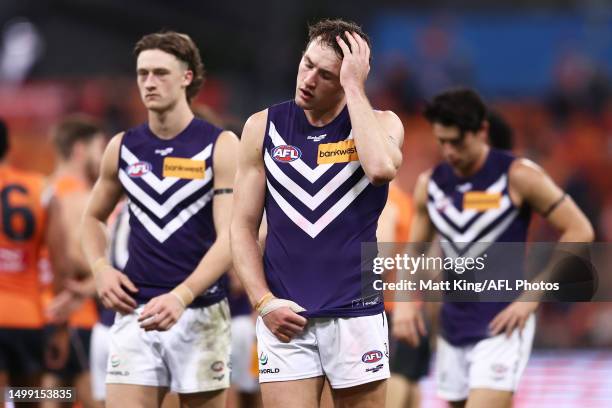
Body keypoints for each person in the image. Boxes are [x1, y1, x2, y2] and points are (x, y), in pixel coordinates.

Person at [231, 18, 404, 408]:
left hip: (355, 315)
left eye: (325, 75)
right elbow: (241, 227)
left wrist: (355, 89)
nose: (308, 79)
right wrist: (263, 302)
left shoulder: (381, 123)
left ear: (346, 80)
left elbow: (379, 169)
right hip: (286, 316)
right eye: (306, 64)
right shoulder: (262, 127)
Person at [392, 88, 595, 408]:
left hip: (503, 323)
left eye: (457, 142)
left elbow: (580, 228)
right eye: (442, 142)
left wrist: (532, 298)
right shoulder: (430, 184)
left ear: (481, 131)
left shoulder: (518, 176)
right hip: (453, 325)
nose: (450, 152)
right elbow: (415, 251)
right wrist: (404, 302)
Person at [80, 31, 238, 408]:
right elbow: (91, 218)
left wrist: (181, 296)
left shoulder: (220, 145)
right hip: (136, 313)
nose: (149, 83)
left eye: (160, 73)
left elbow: (230, 237)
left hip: (201, 313)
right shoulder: (122, 147)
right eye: (142, 73)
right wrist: (100, 268)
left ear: (187, 77)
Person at [41, 114, 107, 408]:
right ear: (81, 150)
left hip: (38, 314)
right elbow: (77, 259)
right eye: (99, 148)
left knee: (49, 396)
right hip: (77, 317)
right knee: (96, 401)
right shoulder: (84, 199)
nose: (104, 156)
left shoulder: (39, 188)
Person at [0, 118, 67, 406]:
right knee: (32, 398)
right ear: (8, 146)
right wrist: (61, 328)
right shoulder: (41, 188)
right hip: (30, 318)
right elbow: (59, 264)